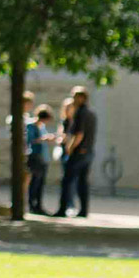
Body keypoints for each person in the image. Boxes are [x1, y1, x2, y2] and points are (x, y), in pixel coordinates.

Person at [53, 87, 97, 218]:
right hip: (88, 152)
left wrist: (70, 149)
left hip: (78, 153)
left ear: (82, 98)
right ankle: (83, 210)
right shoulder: (91, 114)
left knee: (67, 181)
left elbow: (79, 134)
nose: (73, 99)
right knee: (82, 182)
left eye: (75, 96)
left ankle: (63, 209)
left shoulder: (80, 113)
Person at [26, 104, 54, 215]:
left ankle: (38, 205)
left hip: (42, 156)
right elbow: (31, 140)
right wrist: (43, 139)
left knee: (40, 182)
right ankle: (32, 204)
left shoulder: (41, 127)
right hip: (34, 156)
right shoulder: (31, 126)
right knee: (35, 182)